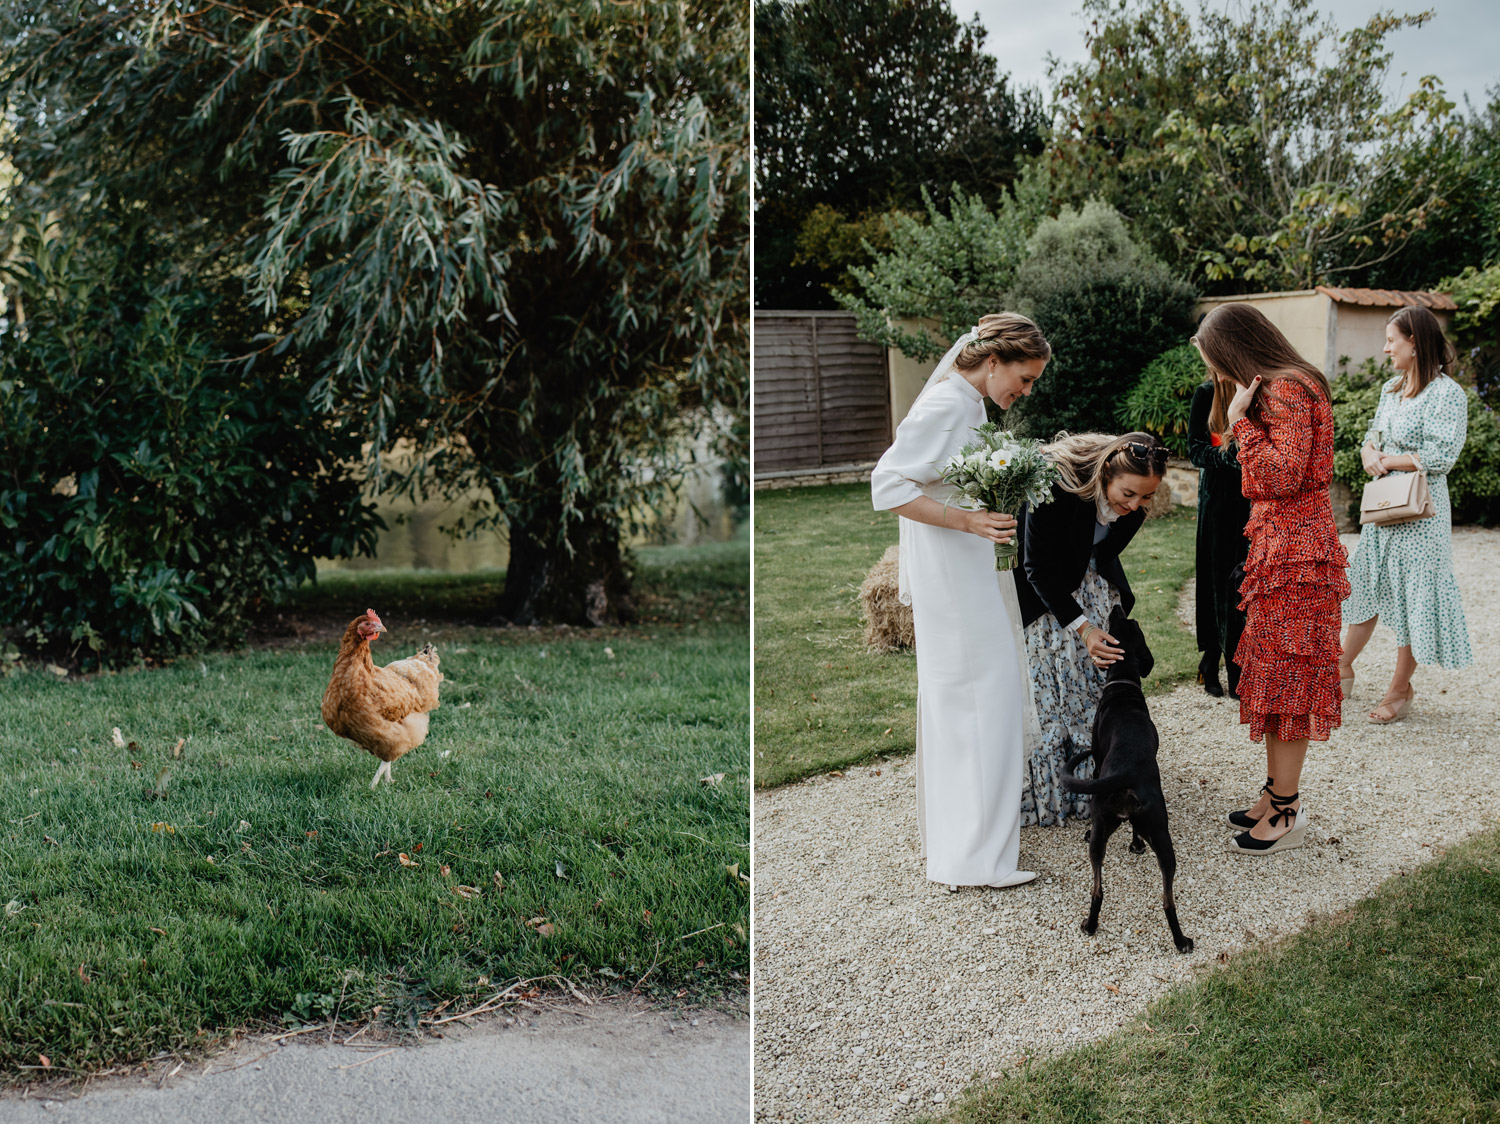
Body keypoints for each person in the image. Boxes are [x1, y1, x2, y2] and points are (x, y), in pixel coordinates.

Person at [870, 313, 1050, 890]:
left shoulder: (971, 407)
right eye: (1022, 379)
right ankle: (975, 858)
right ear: (993, 361)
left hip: (970, 570)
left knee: (977, 706)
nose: (1024, 393)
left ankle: (970, 851)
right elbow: (888, 484)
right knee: (981, 703)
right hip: (952, 575)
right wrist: (969, 519)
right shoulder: (948, 404)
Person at [1193, 302, 1347, 855]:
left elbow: (1277, 477)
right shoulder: (1295, 383)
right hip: (1286, 549)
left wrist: (1240, 423)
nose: (1216, 374)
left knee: (1288, 680)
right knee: (1278, 677)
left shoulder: (1284, 389)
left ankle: (1286, 811)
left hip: (1296, 555)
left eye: (1216, 361)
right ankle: (1275, 794)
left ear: (1235, 349)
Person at [1013, 430, 1169, 826]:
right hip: (1046, 598)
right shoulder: (1054, 483)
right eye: (1129, 494)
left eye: (1147, 496)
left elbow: (1105, 547)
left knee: (1096, 690)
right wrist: (1083, 628)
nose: (1136, 506)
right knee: (1058, 692)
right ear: (1105, 474)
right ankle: (1060, 794)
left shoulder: (1136, 501)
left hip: (1091, 584)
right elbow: (1036, 568)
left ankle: (1108, 782)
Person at [1339, 305, 1472, 720]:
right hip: (1384, 507)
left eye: (1392, 340)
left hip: (1422, 511)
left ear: (1414, 342)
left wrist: (1389, 461)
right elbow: (1372, 435)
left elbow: (1442, 454)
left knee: (1416, 595)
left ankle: (1399, 691)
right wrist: (1366, 454)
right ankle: (1340, 666)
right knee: (1366, 585)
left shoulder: (1448, 394)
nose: (1385, 348)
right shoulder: (1391, 389)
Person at [1187, 378, 1250, 698]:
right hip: (1215, 503)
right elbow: (1195, 451)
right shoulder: (1206, 393)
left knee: (1241, 583)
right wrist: (1233, 454)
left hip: (1250, 502)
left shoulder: (1255, 390)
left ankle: (1237, 664)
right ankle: (1211, 658)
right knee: (1213, 581)